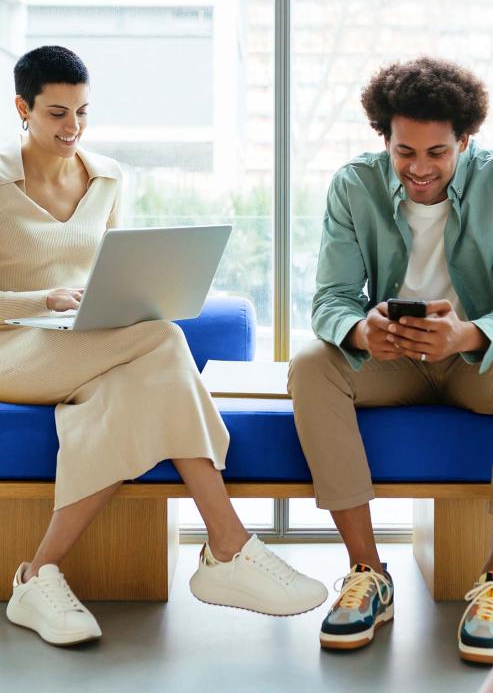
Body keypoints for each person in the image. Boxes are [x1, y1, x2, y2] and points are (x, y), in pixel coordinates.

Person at [2, 45, 328, 647]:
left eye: (82, 111)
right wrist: (39, 300)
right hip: (12, 345)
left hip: (82, 343)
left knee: (139, 375)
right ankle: (228, 546)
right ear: (21, 108)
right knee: (163, 340)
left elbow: (115, 268)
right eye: (55, 113)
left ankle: (37, 574)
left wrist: (127, 296)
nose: (72, 127)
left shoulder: (107, 177)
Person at [288, 57, 493, 663]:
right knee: (309, 365)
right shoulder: (355, 185)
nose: (420, 169)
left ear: (464, 140)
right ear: (385, 139)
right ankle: (368, 573)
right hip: (393, 362)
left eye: (437, 152)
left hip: (474, 362)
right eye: (406, 151)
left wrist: (470, 335)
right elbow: (330, 299)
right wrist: (359, 331)